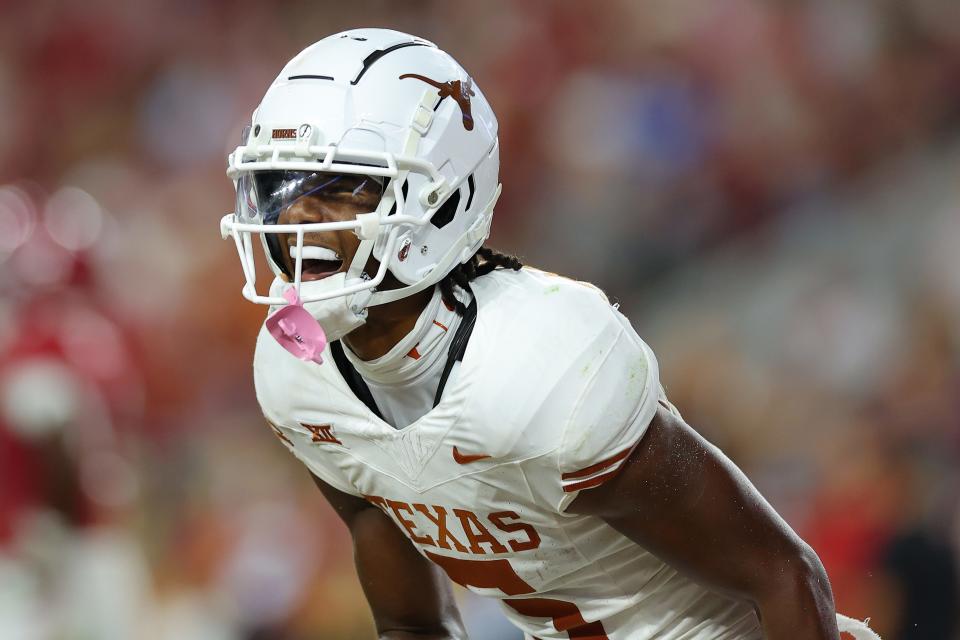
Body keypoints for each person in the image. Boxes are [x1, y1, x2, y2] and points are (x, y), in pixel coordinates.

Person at [220, 28, 880, 640]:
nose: (296, 218)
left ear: (445, 199)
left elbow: (784, 576)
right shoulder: (294, 374)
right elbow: (411, 620)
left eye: (342, 187)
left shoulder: (539, 364)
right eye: (281, 187)